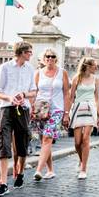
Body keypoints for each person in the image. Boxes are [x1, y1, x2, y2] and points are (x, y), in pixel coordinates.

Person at [0, 41, 37, 197]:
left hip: (23, 109)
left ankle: (21, 172)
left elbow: (33, 91)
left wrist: (24, 95)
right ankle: (3, 183)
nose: (31, 54)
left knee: (22, 144)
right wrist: (10, 97)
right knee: (3, 144)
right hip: (6, 109)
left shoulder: (30, 69)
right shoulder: (4, 68)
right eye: (29, 52)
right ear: (22, 52)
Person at [32, 49, 70, 181]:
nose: (50, 58)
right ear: (43, 58)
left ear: (56, 58)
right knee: (44, 140)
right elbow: (34, 91)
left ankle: (38, 170)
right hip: (41, 110)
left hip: (57, 110)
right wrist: (32, 108)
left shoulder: (62, 73)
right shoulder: (38, 73)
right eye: (47, 56)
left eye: (53, 56)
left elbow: (66, 93)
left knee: (47, 138)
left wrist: (66, 113)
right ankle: (50, 170)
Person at [68, 57, 99, 179]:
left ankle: (83, 169)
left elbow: (97, 98)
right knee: (77, 142)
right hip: (78, 108)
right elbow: (71, 97)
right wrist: (68, 112)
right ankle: (81, 160)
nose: (97, 68)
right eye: (95, 65)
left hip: (91, 108)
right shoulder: (76, 78)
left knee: (86, 139)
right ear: (88, 66)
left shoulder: (96, 79)